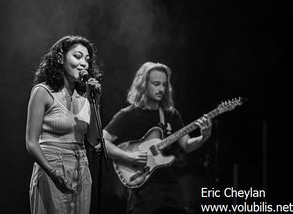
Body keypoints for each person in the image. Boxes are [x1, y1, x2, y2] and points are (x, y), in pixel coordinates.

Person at [103, 62, 212, 214]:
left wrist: (203, 137)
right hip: (143, 190)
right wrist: (128, 156)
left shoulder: (172, 115)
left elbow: (187, 145)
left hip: (171, 189)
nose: (161, 89)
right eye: (156, 84)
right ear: (143, 84)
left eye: (164, 84)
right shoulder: (128, 115)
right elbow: (101, 141)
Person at [26, 35, 101, 214]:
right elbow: (31, 142)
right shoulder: (43, 92)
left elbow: (93, 139)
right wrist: (52, 172)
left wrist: (94, 100)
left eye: (87, 59)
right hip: (52, 167)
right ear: (60, 58)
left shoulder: (85, 97)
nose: (84, 63)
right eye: (77, 56)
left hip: (81, 169)